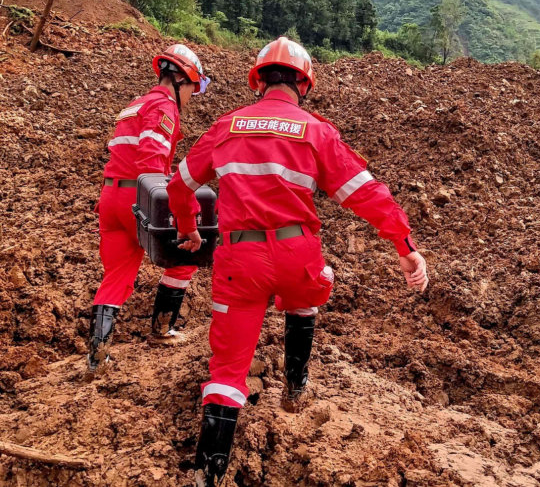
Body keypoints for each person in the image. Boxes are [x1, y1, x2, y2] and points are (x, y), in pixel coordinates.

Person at [166, 37, 429, 486]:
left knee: (227, 371)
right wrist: (406, 248)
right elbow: (368, 195)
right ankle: (295, 387)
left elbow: (179, 185)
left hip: (237, 259)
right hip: (297, 253)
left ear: (258, 81)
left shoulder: (226, 127)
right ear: (303, 84)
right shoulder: (316, 131)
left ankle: (207, 474)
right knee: (307, 295)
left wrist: (190, 229)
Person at [84, 44, 211, 372]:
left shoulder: (136, 104)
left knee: (117, 274)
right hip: (137, 201)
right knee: (187, 254)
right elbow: (151, 165)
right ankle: (162, 329)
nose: (191, 98)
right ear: (181, 80)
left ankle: (98, 356)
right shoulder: (163, 108)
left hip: (110, 198)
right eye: (192, 89)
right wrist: (182, 206)